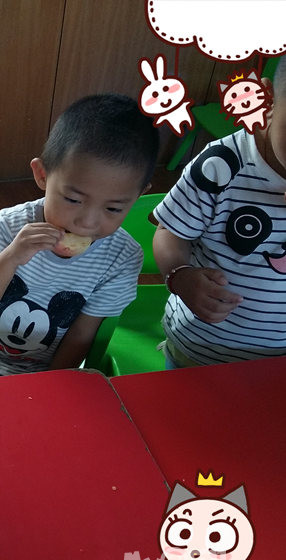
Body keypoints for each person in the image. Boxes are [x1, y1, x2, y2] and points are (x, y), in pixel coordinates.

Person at [0, 94, 159, 382]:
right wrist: (12, 256)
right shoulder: (9, 226)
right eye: (73, 199)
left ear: (138, 195)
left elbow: (82, 334)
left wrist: (48, 384)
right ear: (42, 175)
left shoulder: (121, 258)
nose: (88, 222)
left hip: (46, 371)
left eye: (113, 208)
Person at [153, 57, 286, 367]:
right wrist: (179, 275)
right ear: (266, 101)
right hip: (201, 349)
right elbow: (170, 232)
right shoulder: (220, 166)